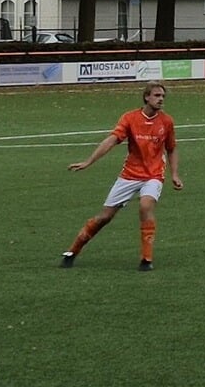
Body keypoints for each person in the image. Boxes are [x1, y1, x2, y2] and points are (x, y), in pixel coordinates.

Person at [61, 83, 182, 270]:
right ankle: (72, 251)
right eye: (157, 95)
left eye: (163, 96)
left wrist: (174, 174)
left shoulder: (166, 122)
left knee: (146, 205)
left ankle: (146, 259)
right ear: (146, 97)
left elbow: (172, 149)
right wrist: (89, 161)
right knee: (104, 217)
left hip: (154, 174)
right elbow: (111, 141)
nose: (161, 99)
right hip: (130, 174)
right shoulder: (130, 118)